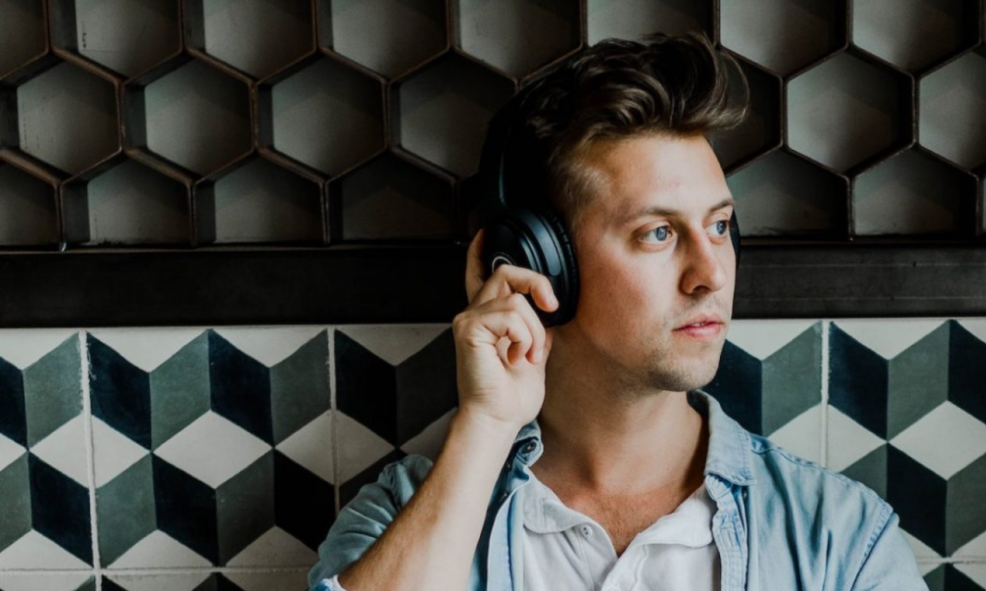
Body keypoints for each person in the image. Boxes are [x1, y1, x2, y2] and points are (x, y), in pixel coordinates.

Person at [305, 32, 925, 591]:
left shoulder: (841, 542)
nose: (711, 274)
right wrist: (489, 423)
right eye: (657, 233)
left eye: (719, 226)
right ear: (540, 260)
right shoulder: (401, 514)